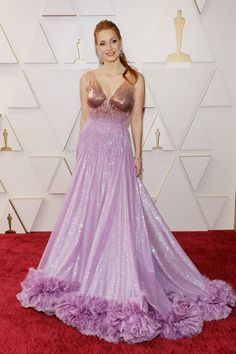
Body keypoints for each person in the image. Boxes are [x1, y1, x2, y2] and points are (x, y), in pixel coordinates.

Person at [16, 19, 236, 344]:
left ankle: (118, 272)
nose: (109, 48)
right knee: (88, 212)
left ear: (121, 42)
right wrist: (81, 154)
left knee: (118, 213)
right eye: (102, 43)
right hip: (92, 152)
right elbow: (84, 116)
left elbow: (136, 119)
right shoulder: (87, 78)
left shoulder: (135, 79)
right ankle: (86, 265)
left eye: (113, 41)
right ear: (96, 47)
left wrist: (138, 156)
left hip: (118, 152)